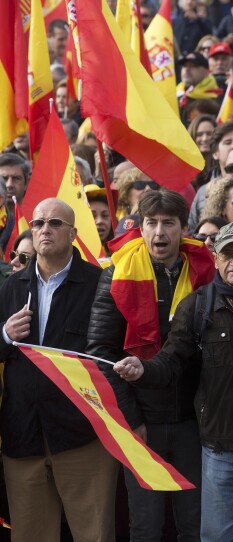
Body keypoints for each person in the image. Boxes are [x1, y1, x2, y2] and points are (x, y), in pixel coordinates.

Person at [114, 221, 233, 541]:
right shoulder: (197, 306)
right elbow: (171, 363)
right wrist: (143, 370)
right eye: (227, 254)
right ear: (215, 258)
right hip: (221, 450)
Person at [87, 191, 214, 542]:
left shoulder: (205, 273)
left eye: (168, 223)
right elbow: (100, 353)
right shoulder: (117, 273)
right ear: (140, 228)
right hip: (142, 423)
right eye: (152, 223)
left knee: (194, 523)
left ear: (183, 228)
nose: (160, 232)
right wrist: (132, 420)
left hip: (193, 423)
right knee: (145, 526)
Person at [0, 199, 113, 541]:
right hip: (24, 435)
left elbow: (109, 354)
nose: (44, 230)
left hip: (82, 435)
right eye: (37, 224)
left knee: (93, 534)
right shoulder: (10, 286)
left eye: (54, 223)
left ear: (74, 234)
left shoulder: (99, 284)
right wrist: (5, 335)